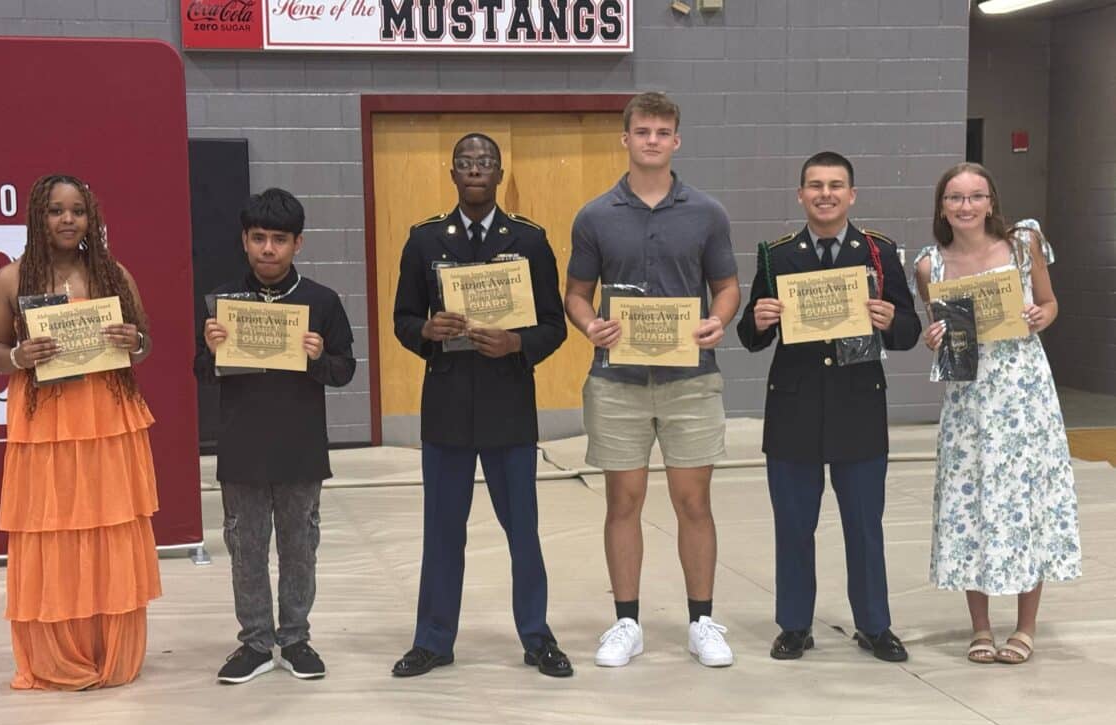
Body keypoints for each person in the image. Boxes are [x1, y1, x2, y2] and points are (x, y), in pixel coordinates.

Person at [564, 92, 742, 668]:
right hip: (617, 381)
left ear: (676, 141)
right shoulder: (594, 216)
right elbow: (576, 294)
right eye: (642, 131)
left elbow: (727, 287)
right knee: (624, 501)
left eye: (663, 132)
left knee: (694, 501)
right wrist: (590, 325)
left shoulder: (708, 213)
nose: (652, 140)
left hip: (691, 380)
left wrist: (719, 320)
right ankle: (627, 623)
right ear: (626, 138)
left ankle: (702, 622)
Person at [391, 132, 573, 679]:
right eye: (466, 162)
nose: (475, 169)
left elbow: (554, 325)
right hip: (446, 405)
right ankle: (433, 640)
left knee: (523, 532)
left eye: (485, 162)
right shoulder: (424, 240)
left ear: (499, 174)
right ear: (452, 173)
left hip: (507, 406)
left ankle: (537, 637)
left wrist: (517, 343)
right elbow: (402, 319)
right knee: (443, 532)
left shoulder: (530, 241)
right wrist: (425, 331)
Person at [0, 173, 161, 690]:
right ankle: (58, 653)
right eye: (56, 210)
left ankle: (110, 649)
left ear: (91, 218)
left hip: (107, 419)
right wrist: (19, 356)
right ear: (38, 217)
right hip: (45, 425)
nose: (67, 220)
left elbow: (144, 343)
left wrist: (133, 340)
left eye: (77, 211)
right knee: (52, 528)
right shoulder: (9, 279)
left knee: (109, 525)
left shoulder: (112, 274)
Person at [736, 152, 920, 662]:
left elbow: (909, 330)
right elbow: (750, 335)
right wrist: (760, 319)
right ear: (800, 195)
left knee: (864, 525)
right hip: (794, 408)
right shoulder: (776, 256)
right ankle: (795, 625)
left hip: (858, 407)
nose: (825, 194)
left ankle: (875, 625)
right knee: (794, 526)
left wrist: (890, 320)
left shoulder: (879, 252)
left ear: (851, 195)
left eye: (835, 185)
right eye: (815, 185)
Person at [914, 162, 1081, 665]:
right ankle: (981, 627)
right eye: (955, 197)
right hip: (968, 400)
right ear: (942, 207)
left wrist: (1040, 315)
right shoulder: (929, 266)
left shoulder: (1024, 244)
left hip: (1024, 394)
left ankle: (1025, 627)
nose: (966, 206)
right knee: (972, 503)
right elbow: (940, 332)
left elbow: (1050, 304)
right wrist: (932, 338)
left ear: (991, 202)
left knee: (1027, 501)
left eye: (975, 196)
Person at [196, 188, 356, 684]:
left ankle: (295, 638)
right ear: (244, 240)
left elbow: (345, 370)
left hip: (299, 449)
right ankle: (255, 642)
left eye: (280, 239)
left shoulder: (322, 302)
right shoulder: (224, 303)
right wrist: (211, 351)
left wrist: (318, 358)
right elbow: (201, 373)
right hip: (241, 448)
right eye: (259, 238)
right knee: (246, 549)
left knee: (299, 548)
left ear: (297, 243)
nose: (269, 248)